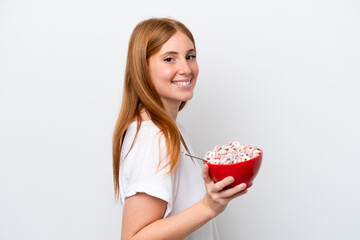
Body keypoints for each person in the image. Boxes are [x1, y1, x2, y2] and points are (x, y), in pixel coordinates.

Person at [112, 17, 248, 240]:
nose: (186, 68)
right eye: (169, 59)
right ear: (142, 69)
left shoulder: (173, 130)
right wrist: (209, 207)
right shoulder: (154, 138)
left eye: (190, 56)